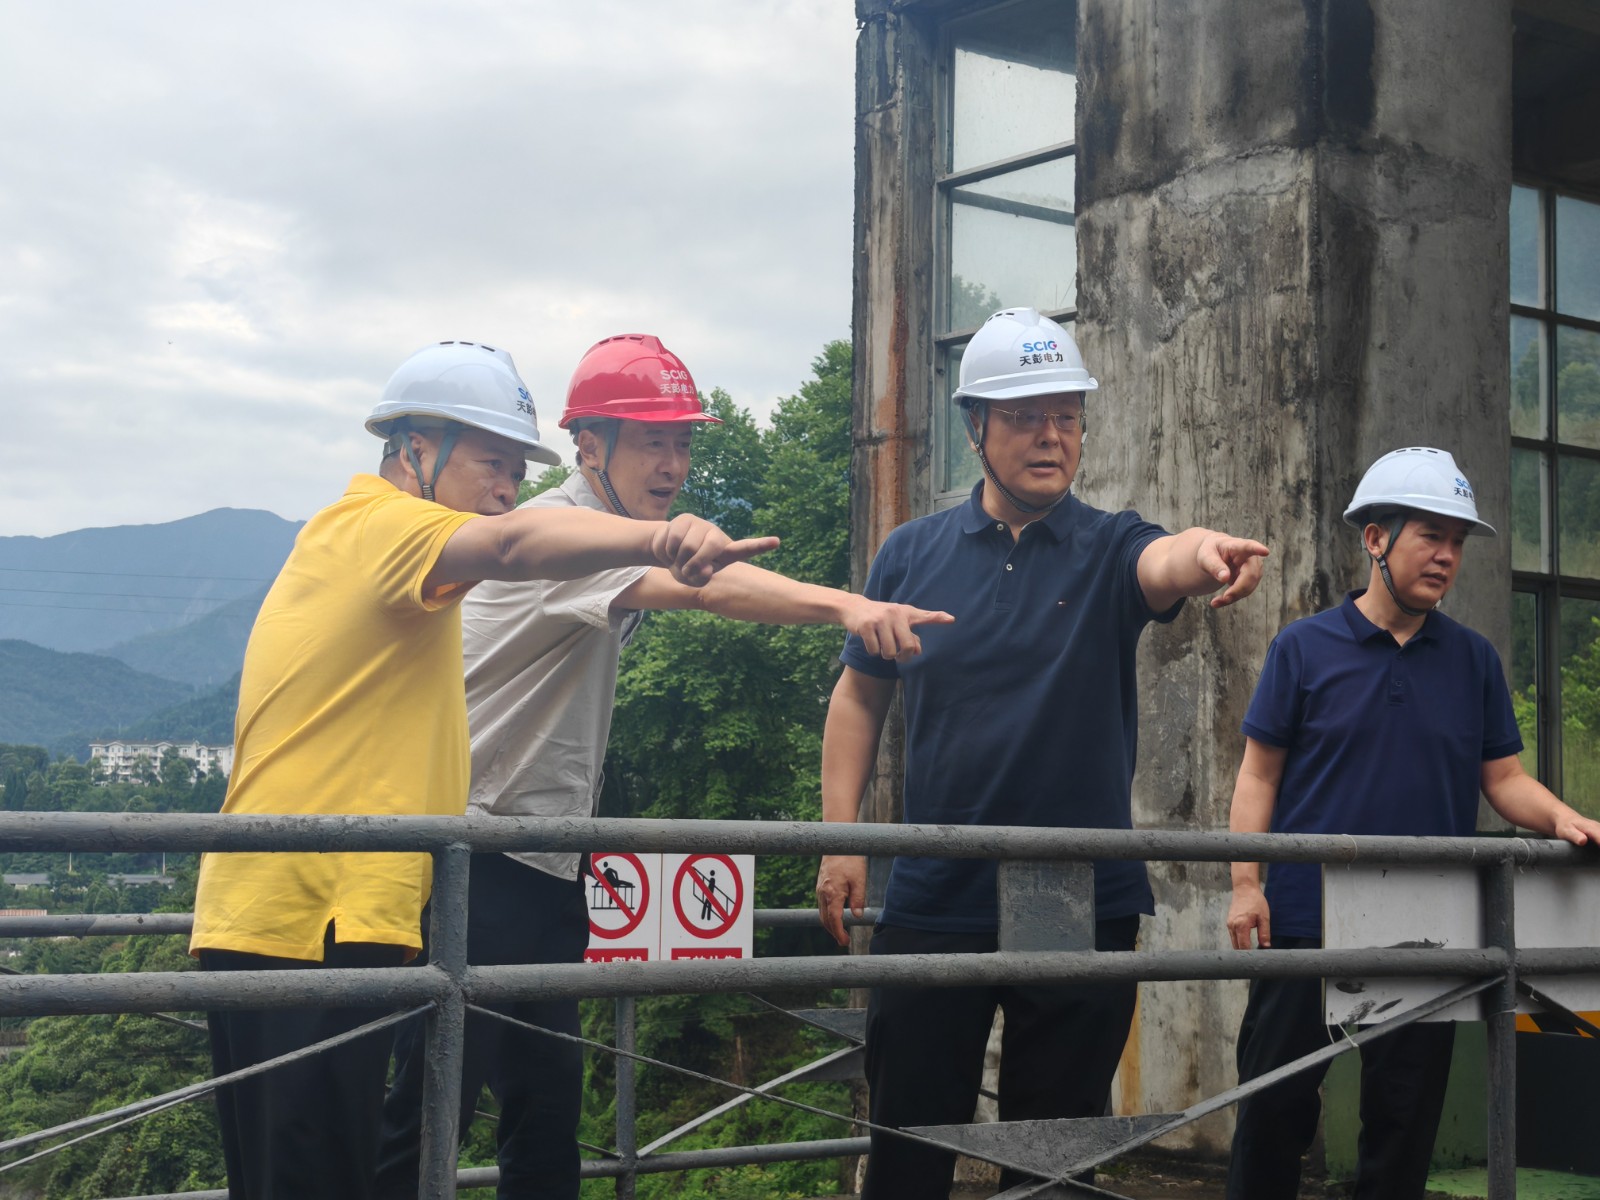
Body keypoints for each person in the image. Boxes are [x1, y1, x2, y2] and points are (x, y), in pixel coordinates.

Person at [188, 339, 770, 1200]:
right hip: (303, 912)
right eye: (491, 463)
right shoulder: (379, 525)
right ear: (414, 448)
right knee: (323, 1172)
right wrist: (659, 537)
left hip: (343, 910)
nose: (507, 489)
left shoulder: (413, 573)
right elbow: (513, 544)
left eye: (517, 470)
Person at [372, 333, 949, 1200]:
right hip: (474, 859)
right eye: (652, 441)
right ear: (589, 446)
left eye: (682, 442)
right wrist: (849, 608)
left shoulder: (599, 536)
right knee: (431, 1109)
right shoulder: (565, 534)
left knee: (544, 1114)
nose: (673, 464)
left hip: (540, 860)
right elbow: (705, 589)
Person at [811, 307, 1270, 1197]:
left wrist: (1206, 550)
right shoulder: (911, 554)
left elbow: (1165, 561)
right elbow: (860, 695)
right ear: (976, 428)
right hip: (938, 886)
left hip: (1070, 892)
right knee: (908, 1137)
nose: (1051, 436)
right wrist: (841, 841)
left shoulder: (1109, 546)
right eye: (1025, 417)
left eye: (1066, 416)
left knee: (1053, 1154)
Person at [1224, 446, 1600, 1199]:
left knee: (1404, 1121)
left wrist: (1565, 817)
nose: (1446, 556)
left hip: (1425, 928)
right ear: (1375, 539)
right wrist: (1245, 885)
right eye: (1430, 535)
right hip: (1303, 919)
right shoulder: (1303, 648)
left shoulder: (1473, 661)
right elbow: (1258, 775)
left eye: (1457, 541)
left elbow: (1505, 781)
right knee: (1274, 1107)